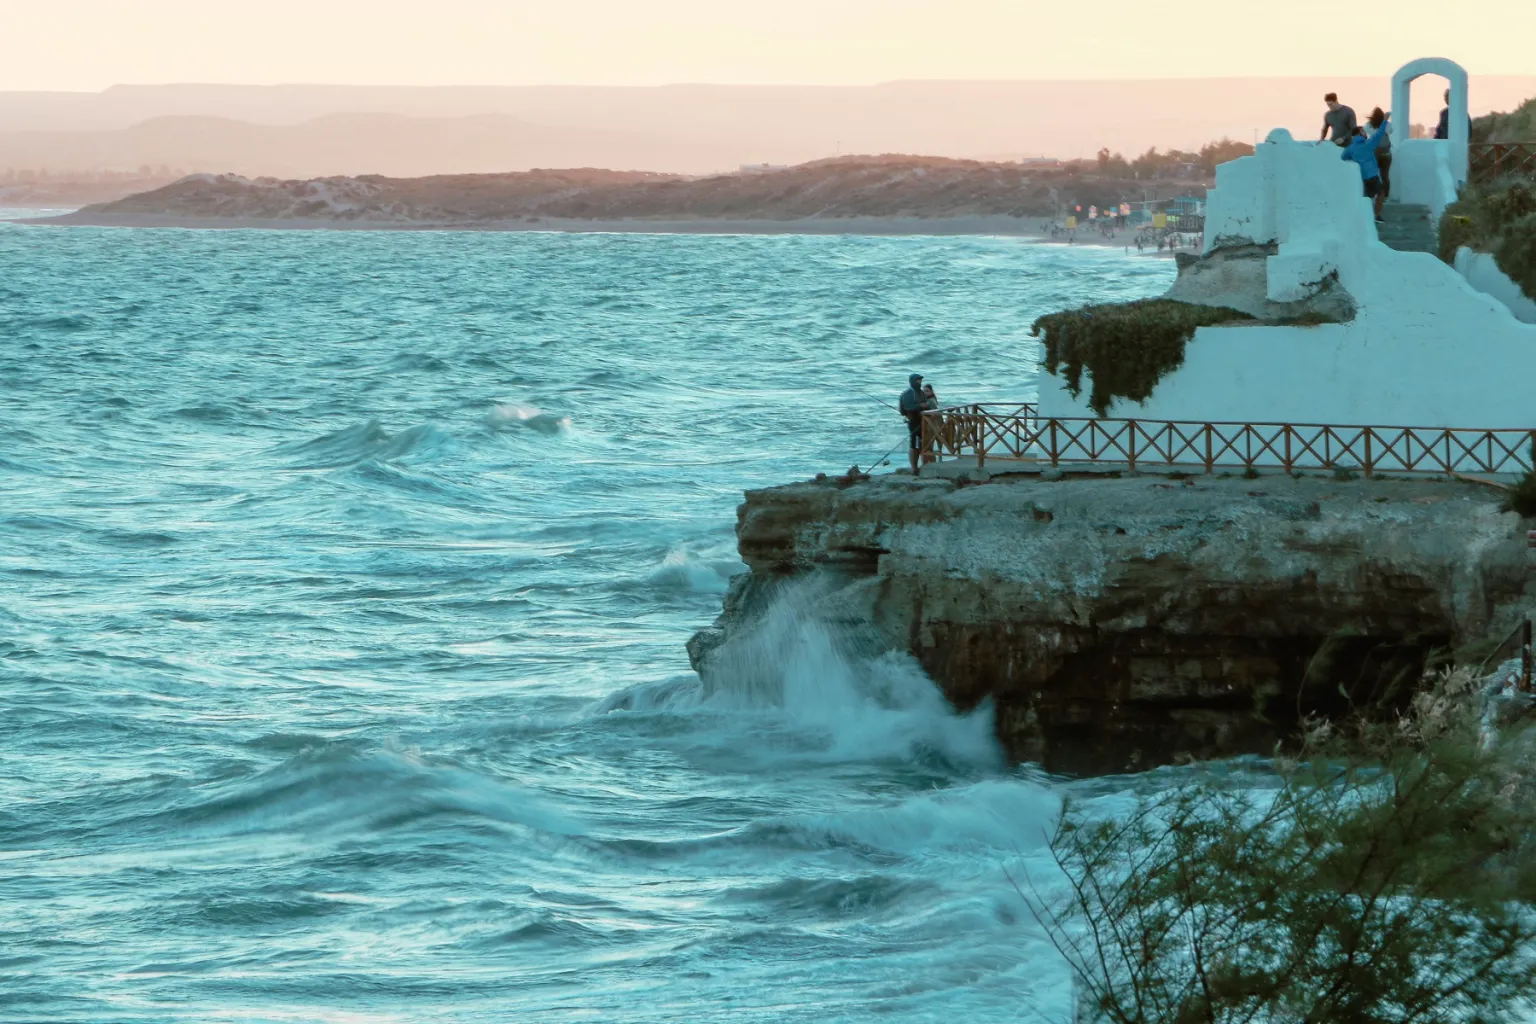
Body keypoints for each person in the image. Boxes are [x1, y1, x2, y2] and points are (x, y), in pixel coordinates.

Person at [1341, 115, 1391, 221]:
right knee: (1381, 193)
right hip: (1372, 176)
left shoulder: (1351, 148)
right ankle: (1376, 216)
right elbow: (1380, 133)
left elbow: (1343, 157)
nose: (1365, 133)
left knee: (1368, 197)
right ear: (1359, 134)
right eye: (1363, 131)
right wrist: (1385, 120)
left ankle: (1368, 217)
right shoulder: (1368, 144)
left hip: (1363, 177)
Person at [899, 373, 928, 473]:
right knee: (914, 445)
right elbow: (908, 407)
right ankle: (914, 468)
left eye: (920, 380)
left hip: (922, 421)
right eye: (918, 380)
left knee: (922, 443)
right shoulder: (909, 392)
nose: (920, 382)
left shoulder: (920, 392)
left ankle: (923, 464)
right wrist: (921, 406)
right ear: (913, 381)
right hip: (914, 421)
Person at [1367, 107, 1392, 201]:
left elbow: (1369, 134)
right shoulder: (1388, 125)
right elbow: (1390, 131)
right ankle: (1386, 196)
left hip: (1374, 152)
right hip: (1386, 153)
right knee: (1385, 175)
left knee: (1373, 174)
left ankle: (1374, 194)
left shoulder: (1368, 125)